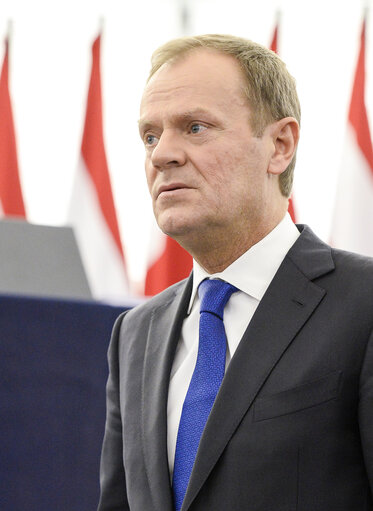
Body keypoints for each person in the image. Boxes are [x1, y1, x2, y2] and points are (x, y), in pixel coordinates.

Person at [98, 34, 373, 511]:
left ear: (279, 146)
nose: (162, 154)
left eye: (195, 127)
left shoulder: (363, 304)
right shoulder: (134, 335)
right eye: (150, 135)